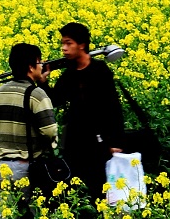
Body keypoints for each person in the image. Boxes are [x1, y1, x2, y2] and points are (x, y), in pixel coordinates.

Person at [46, 22, 124, 207]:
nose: (63, 48)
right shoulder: (69, 74)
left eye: (68, 43)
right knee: (70, 187)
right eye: (62, 44)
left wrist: (116, 142)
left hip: (98, 141)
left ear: (81, 45)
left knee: (100, 186)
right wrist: (43, 82)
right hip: (74, 140)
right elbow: (55, 100)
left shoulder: (100, 71)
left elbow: (113, 108)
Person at [0, 43, 58, 210]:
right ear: (30, 67)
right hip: (29, 167)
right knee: (43, 218)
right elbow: (50, 131)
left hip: (4, 166)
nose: (42, 66)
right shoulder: (37, 94)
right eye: (39, 62)